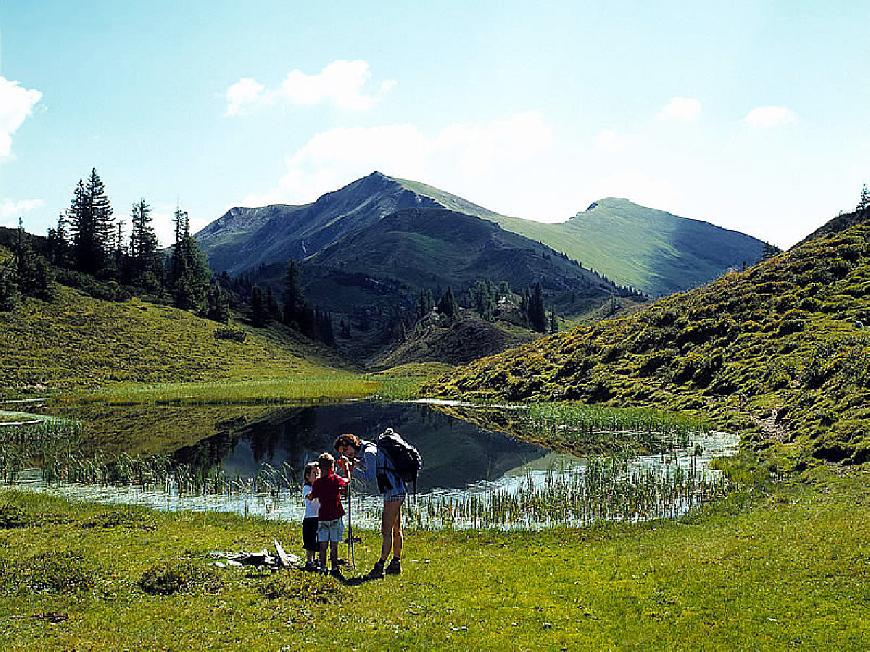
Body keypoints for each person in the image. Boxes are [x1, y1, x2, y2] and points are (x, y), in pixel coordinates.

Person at [334, 433, 405, 579]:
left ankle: (380, 566)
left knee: (386, 530)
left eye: (345, 450)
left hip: (392, 492)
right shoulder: (369, 447)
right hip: (398, 488)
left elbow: (370, 477)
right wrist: (356, 463)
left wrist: (351, 470)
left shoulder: (369, 453)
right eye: (342, 452)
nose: (346, 454)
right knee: (396, 528)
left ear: (352, 445)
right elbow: (373, 466)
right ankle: (395, 563)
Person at [306, 452, 348, 578]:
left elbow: (312, 496)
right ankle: (334, 567)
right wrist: (346, 468)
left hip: (323, 516)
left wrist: (309, 496)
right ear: (332, 467)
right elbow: (346, 481)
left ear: (319, 468)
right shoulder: (335, 479)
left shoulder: (317, 483)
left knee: (323, 544)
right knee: (334, 544)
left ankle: (323, 566)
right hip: (335, 515)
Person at [301, 461, 321, 571]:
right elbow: (309, 497)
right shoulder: (307, 488)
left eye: (319, 473)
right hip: (309, 519)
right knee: (309, 541)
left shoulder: (321, 486)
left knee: (319, 540)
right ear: (308, 476)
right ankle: (309, 561)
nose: (317, 476)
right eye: (315, 474)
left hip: (320, 517)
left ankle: (318, 560)